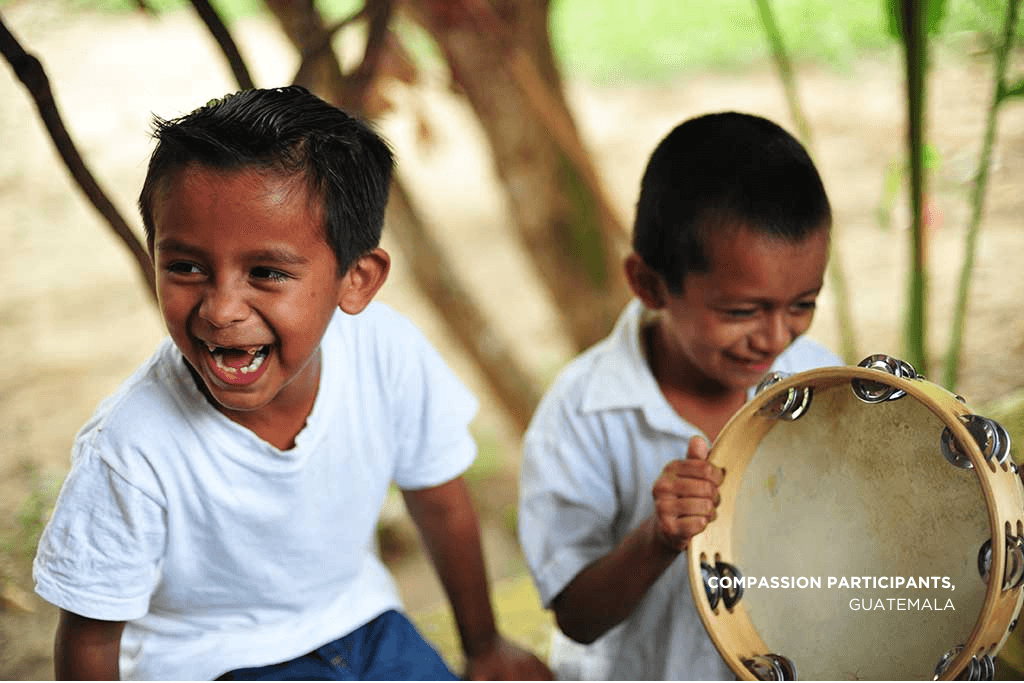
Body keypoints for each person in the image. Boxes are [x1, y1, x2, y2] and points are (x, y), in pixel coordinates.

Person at [33, 86, 552, 682]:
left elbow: (437, 496)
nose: (221, 309)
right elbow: (90, 639)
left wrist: (485, 647)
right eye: (185, 267)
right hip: (212, 663)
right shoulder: (129, 449)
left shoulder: (385, 351)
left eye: (267, 272)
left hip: (364, 626)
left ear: (356, 280)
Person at [517, 112, 842, 680]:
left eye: (802, 304)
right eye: (742, 311)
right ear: (648, 284)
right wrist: (658, 537)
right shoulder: (584, 413)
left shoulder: (820, 383)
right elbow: (576, 616)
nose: (774, 337)